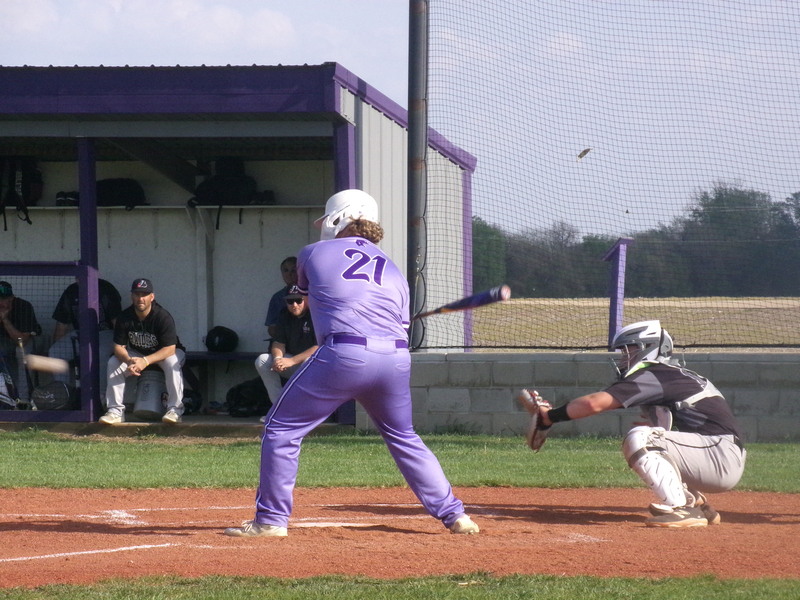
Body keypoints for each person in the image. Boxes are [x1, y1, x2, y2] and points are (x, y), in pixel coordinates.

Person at [224, 189, 479, 537]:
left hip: (344, 355)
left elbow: (309, 293)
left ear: (337, 217)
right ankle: (455, 516)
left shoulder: (311, 253)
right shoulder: (391, 266)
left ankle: (270, 521)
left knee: (280, 429)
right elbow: (397, 322)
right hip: (394, 359)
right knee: (404, 436)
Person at [520, 319, 746, 528]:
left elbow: (594, 403)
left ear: (648, 347)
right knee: (651, 437)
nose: (624, 357)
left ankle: (682, 510)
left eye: (630, 349)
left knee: (641, 438)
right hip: (719, 454)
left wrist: (549, 416)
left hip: (719, 454)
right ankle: (697, 504)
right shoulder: (670, 375)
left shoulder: (656, 373)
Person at [99, 278, 185, 425]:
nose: (140, 298)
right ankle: (115, 411)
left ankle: (175, 410)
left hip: (165, 354)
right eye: (137, 294)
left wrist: (145, 361)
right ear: (132, 296)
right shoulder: (125, 317)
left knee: (172, 363)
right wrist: (129, 360)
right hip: (137, 354)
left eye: (144, 294)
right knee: (114, 362)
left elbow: (170, 349)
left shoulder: (162, 316)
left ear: (152, 297)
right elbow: (119, 347)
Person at [254, 285, 318, 424]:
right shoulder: (284, 314)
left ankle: (305, 413)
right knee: (263, 360)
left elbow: (319, 347)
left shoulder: (316, 314)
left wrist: (291, 361)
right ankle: (280, 411)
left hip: (316, 369)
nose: (294, 305)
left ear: (306, 299)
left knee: (308, 362)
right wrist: (278, 359)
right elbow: (278, 343)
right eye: (290, 301)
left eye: (298, 300)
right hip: (292, 363)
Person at [48, 278, 122, 392]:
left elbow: (117, 323)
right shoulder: (71, 291)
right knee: (55, 351)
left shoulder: (106, 288)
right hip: (81, 334)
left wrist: (122, 347)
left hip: (106, 333)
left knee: (100, 352)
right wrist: (58, 346)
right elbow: (61, 326)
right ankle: (63, 395)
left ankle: (100, 396)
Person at [0, 281, 41, 402]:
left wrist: (5, 320)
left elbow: (21, 340)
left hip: (26, 340)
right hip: (4, 343)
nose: (2, 303)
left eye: (5, 299)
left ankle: (24, 400)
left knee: (21, 352)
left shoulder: (23, 306)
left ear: (12, 298)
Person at [264, 256, 297, 340]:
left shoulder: (312, 293)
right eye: (285, 270)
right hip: (284, 343)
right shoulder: (278, 297)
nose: (289, 274)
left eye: (293, 270)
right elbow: (272, 327)